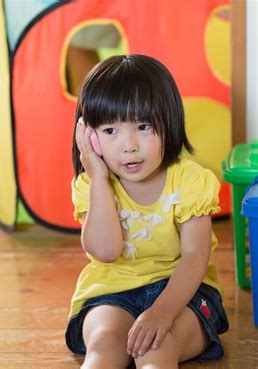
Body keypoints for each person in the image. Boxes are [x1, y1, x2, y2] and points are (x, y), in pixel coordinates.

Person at [66, 54, 229, 369]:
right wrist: (98, 177)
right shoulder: (91, 185)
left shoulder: (190, 181)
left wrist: (163, 311)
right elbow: (106, 251)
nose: (129, 146)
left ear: (168, 123)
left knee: (157, 349)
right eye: (110, 131)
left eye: (143, 126)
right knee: (103, 346)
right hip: (112, 292)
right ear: (89, 136)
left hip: (183, 294)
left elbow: (196, 258)